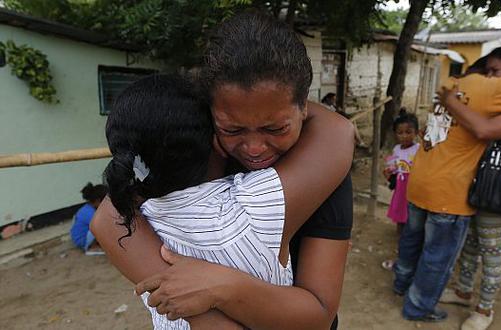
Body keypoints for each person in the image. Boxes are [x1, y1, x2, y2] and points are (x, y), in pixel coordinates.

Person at [91, 11, 355, 330]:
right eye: (232, 129)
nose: (254, 148)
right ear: (209, 113)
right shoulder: (197, 154)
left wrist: (219, 288)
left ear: (304, 107)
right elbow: (109, 216)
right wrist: (205, 314)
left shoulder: (324, 168)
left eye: (275, 127)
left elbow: (320, 313)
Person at [393, 41, 501, 322]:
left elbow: (484, 129)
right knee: (463, 249)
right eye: (486, 70)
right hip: (465, 189)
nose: (490, 76)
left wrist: (452, 103)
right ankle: (458, 294)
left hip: (497, 190)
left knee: (489, 252)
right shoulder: (493, 95)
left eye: (495, 70)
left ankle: (483, 309)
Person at [381, 108, 419, 270]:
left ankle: (410, 249)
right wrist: (389, 171)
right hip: (401, 189)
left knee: (413, 219)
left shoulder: (419, 149)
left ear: (416, 132)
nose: (404, 136)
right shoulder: (396, 150)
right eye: (400, 133)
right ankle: (401, 244)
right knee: (400, 218)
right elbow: (394, 166)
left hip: (414, 188)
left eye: (409, 132)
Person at [69, 182, 107, 255]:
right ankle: (92, 247)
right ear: (98, 201)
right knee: (101, 227)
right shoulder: (90, 213)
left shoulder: (88, 208)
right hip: (82, 240)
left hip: (81, 237)